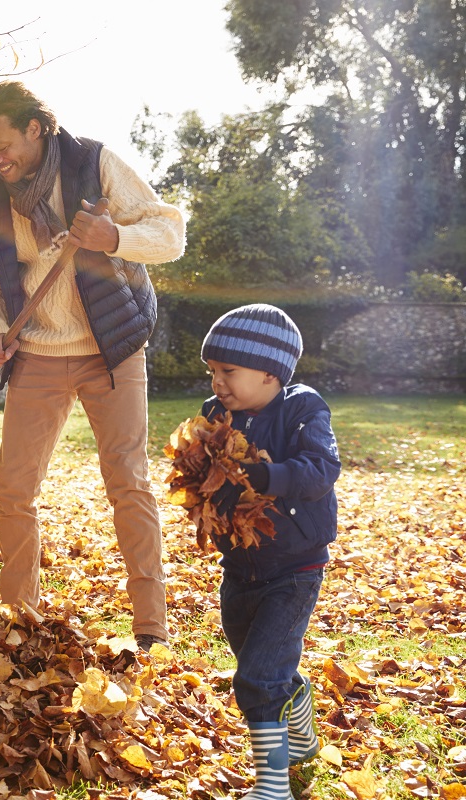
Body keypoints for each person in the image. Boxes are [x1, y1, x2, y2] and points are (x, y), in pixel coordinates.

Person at [0, 80, 184, 649]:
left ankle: (152, 630)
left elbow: (169, 234)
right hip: (37, 352)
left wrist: (114, 236)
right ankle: (19, 622)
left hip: (112, 347)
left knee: (128, 481)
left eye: (4, 145)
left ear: (35, 129)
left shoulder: (94, 163)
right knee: (12, 487)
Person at [199, 303, 339, 799]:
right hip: (239, 565)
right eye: (212, 371)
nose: (217, 382)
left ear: (269, 371)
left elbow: (322, 469)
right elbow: (206, 466)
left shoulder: (304, 408)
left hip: (295, 566)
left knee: (257, 677)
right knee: (261, 663)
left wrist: (270, 475)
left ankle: (272, 787)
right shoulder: (217, 414)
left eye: (228, 371)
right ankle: (296, 705)